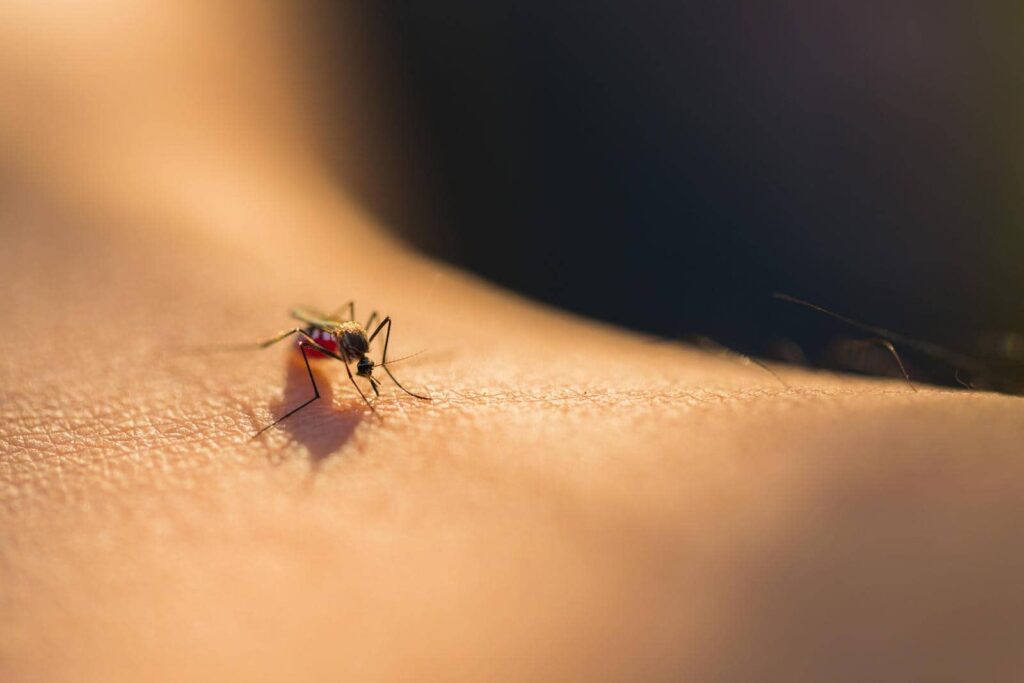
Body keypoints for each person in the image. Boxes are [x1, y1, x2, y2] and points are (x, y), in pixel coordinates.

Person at [1, 2, 1020, 680]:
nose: (354, 374)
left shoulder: (360, 354)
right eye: (353, 366)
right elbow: (311, 356)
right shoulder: (318, 355)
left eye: (356, 367)